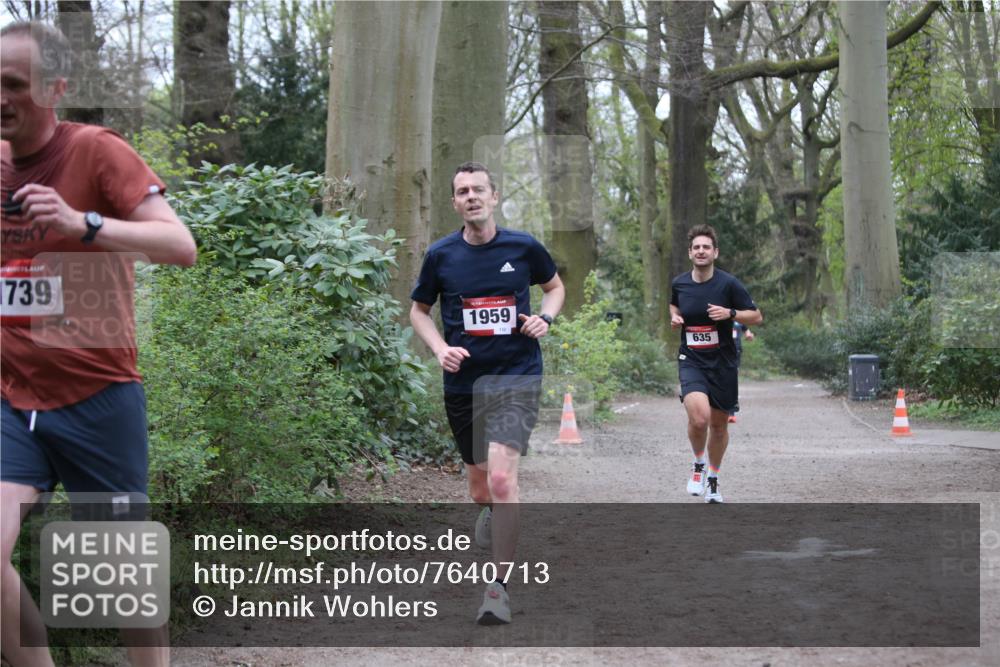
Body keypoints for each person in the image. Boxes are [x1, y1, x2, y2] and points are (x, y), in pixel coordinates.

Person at [1, 21, 196, 667]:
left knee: (120, 584)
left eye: (13, 84)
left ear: (56, 87)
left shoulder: (96, 151)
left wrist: (82, 223)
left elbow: (179, 246)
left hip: (98, 396)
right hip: (12, 398)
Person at [410, 161, 564, 625]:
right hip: (464, 384)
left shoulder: (523, 247)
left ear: (494, 197)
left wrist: (546, 318)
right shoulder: (441, 255)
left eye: (479, 189)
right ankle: (490, 513)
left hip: (517, 376)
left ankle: (496, 590)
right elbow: (418, 311)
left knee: (502, 481)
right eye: (462, 191)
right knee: (481, 488)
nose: (471, 196)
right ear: (455, 202)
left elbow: (554, 289)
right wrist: (439, 348)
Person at [670, 224, 761, 503]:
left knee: (720, 426)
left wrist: (730, 312)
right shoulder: (679, 283)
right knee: (699, 418)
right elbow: (674, 304)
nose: (701, 251)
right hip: (692, 359)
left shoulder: (729, 284)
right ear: (690, 253)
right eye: (696, 247)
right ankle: (698, 465)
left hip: (722, 362)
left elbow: (756, 316)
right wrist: (675, 317)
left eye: (706, 247)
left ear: (715, 252)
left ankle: (713, 476)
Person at [727, 321, 755, 424]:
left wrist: (749, 335)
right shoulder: (719, 315)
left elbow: (747, 331)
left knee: (731, 380)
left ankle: (731, 413)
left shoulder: (740, 319)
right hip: (720, 351)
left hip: (735, 351)